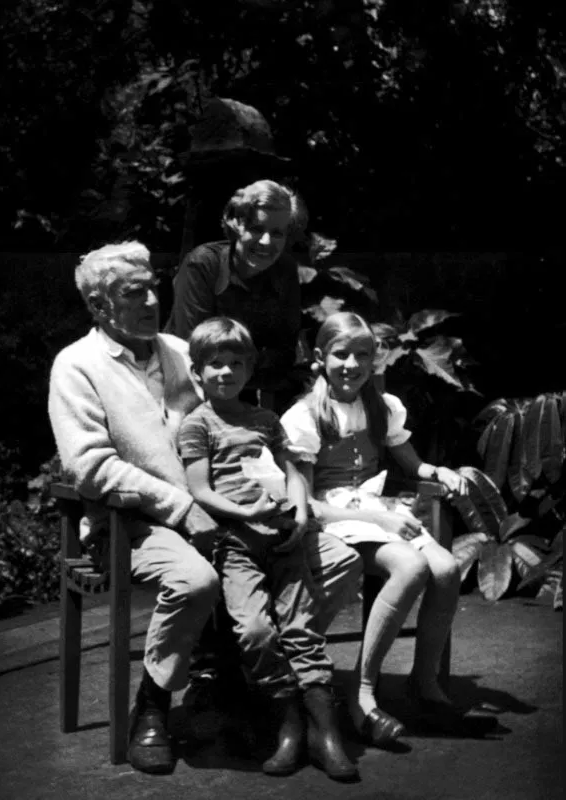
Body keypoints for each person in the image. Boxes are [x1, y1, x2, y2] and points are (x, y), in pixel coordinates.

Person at [47, 241, 224, 775]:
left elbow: (223, 423)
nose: (152, 299)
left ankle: (238, 687)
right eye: (134, 292)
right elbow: (87, 467)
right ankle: (152, 705)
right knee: (196, 582)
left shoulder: (178, 349)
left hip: (213, 510)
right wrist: (178, 505)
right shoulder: (76, 366)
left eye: (154, 285)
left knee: (318, 554)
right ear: (100, 306)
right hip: (127, 525)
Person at [177, 317, 358, 782]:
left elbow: (292, 471)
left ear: (249, 370)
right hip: (237, 543)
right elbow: (200, 489)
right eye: (214, 364)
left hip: (282, 536)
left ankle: (325, 730)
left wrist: (298, 513)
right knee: (255, 629)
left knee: (300, 627)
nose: (225, 372)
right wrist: (247, 517)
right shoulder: (198, 425)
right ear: (197, 372)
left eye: (235, 363)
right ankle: (288, 720)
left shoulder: (263, 420)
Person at [280, 311, 471, 746]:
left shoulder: (382, 407)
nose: (352, 365)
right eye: (341, 355)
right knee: (410, 566)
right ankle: (362, 692)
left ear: (376, 359)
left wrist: (439, 470)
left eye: (362, 355)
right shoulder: (304, 416)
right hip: (335, 519)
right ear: (319, 357)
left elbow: (412, 462)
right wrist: (380, 519)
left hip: (372, 506)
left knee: (445, 569)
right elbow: (307, 504)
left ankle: (423, 684)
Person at [166, 178, 307, 410]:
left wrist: (234, 362)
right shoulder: (203, 265)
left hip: (245, 396)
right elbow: (192, 350)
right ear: (236, 224)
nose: (266, 242)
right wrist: (254, 361)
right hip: (184, 393)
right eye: (256, 229)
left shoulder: (286, 271)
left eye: (277, 233)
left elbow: (284, 353)